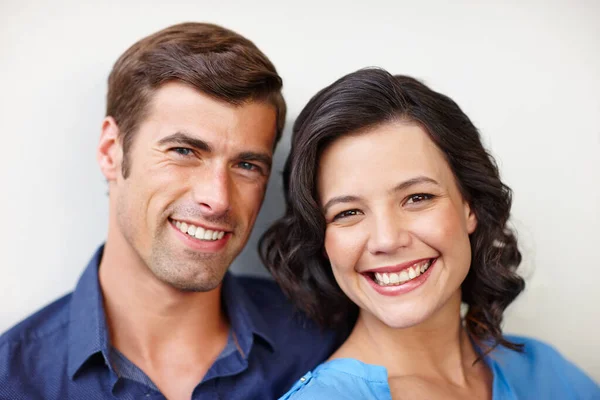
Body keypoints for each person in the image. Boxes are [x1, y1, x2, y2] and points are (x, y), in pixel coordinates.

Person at [0, 22, 341, 400]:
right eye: (184, 152)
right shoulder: (13, 378)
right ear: (111, 150)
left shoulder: (323, 344)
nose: (219, 199)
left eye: (247, 165)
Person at [260, 68, 600, 399]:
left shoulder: (547, 372)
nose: (387, 240)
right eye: (347, 213)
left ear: (470, 205)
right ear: (321, 240)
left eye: (417, 198)